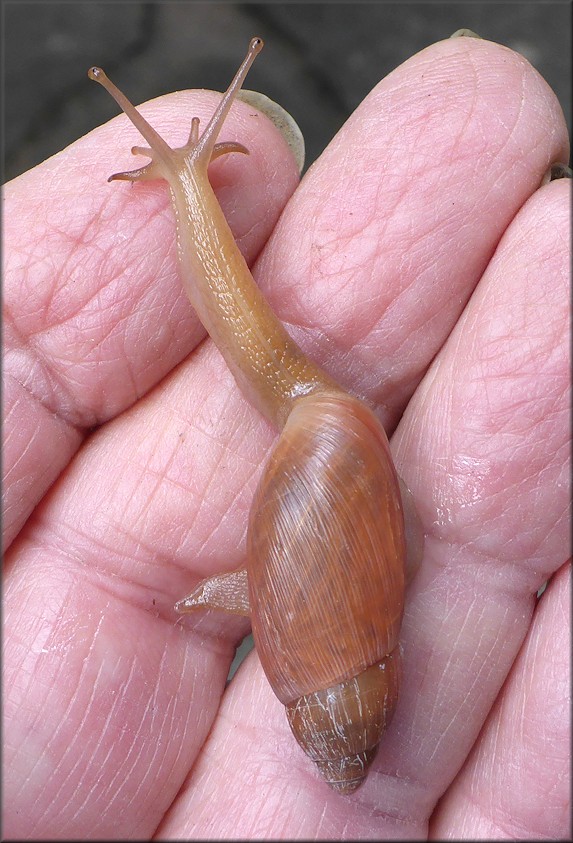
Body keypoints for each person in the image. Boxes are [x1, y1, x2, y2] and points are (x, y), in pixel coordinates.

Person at [3, 33, 570, 839]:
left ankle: (186, 185)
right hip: (324, 609)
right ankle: (189, 184)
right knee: (305, 396)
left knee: (300, 392)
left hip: (326, 621)